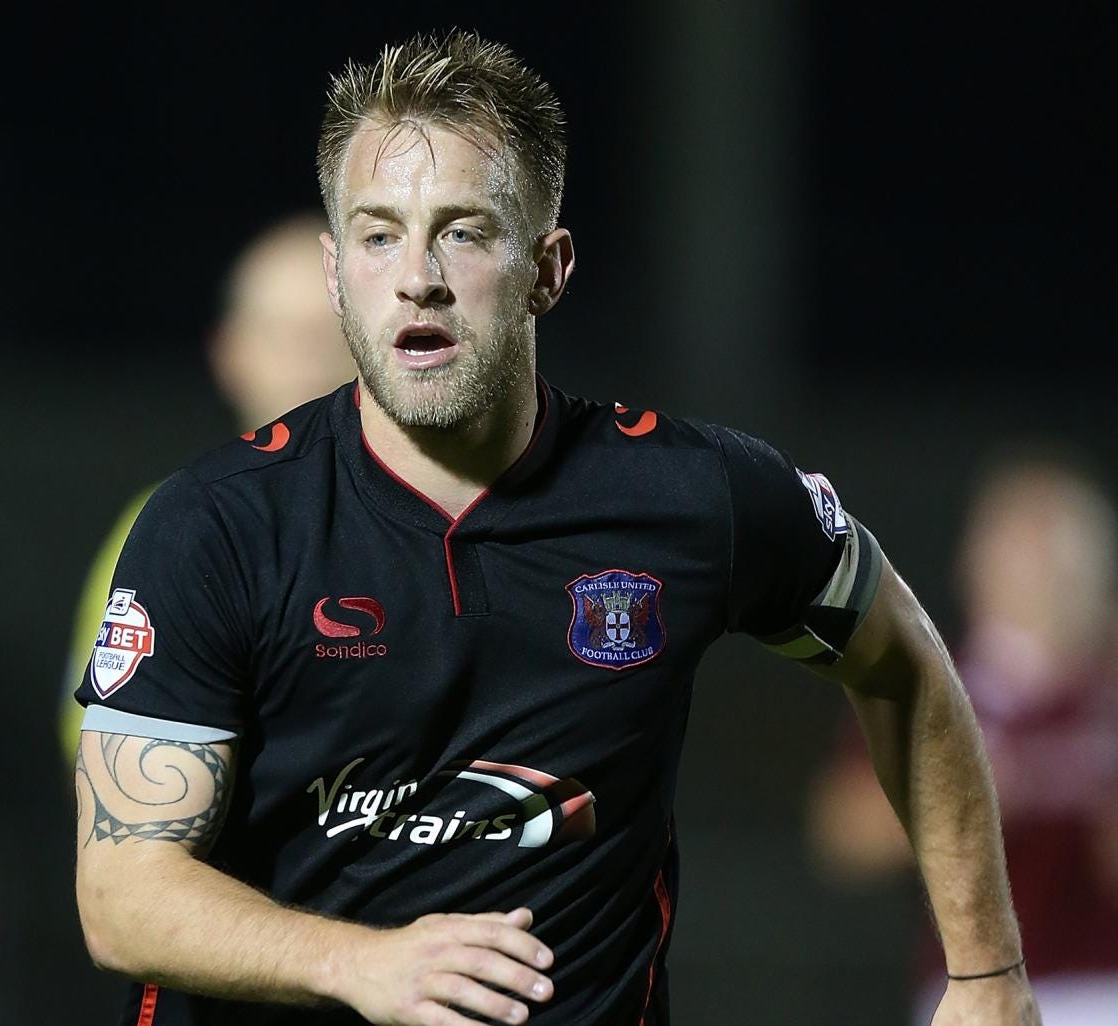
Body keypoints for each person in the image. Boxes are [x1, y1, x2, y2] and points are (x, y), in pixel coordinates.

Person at [71, 30, 1039, 1026]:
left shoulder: (696, 494)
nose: (418, 276)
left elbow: (902, 666)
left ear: (548, 267)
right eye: (378, 233)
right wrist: (361, 965)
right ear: (335, 269)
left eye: (464, 231)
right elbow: (120, 896)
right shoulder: (215, 524)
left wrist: (986, 975)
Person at [809, 454, 1118, 1025]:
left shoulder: (1105, 690)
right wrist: (972, 791)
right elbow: (844, 833)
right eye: (1018, 545)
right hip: (975, 987)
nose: (1036, 571)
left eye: (1052, 549)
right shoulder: (934, 680)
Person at [58, 215, 356, 761]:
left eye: (334, 330)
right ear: (229, 354)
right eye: (281, 334)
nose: (310, 358)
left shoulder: (456, 515)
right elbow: (103, 755)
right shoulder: (166, 525)